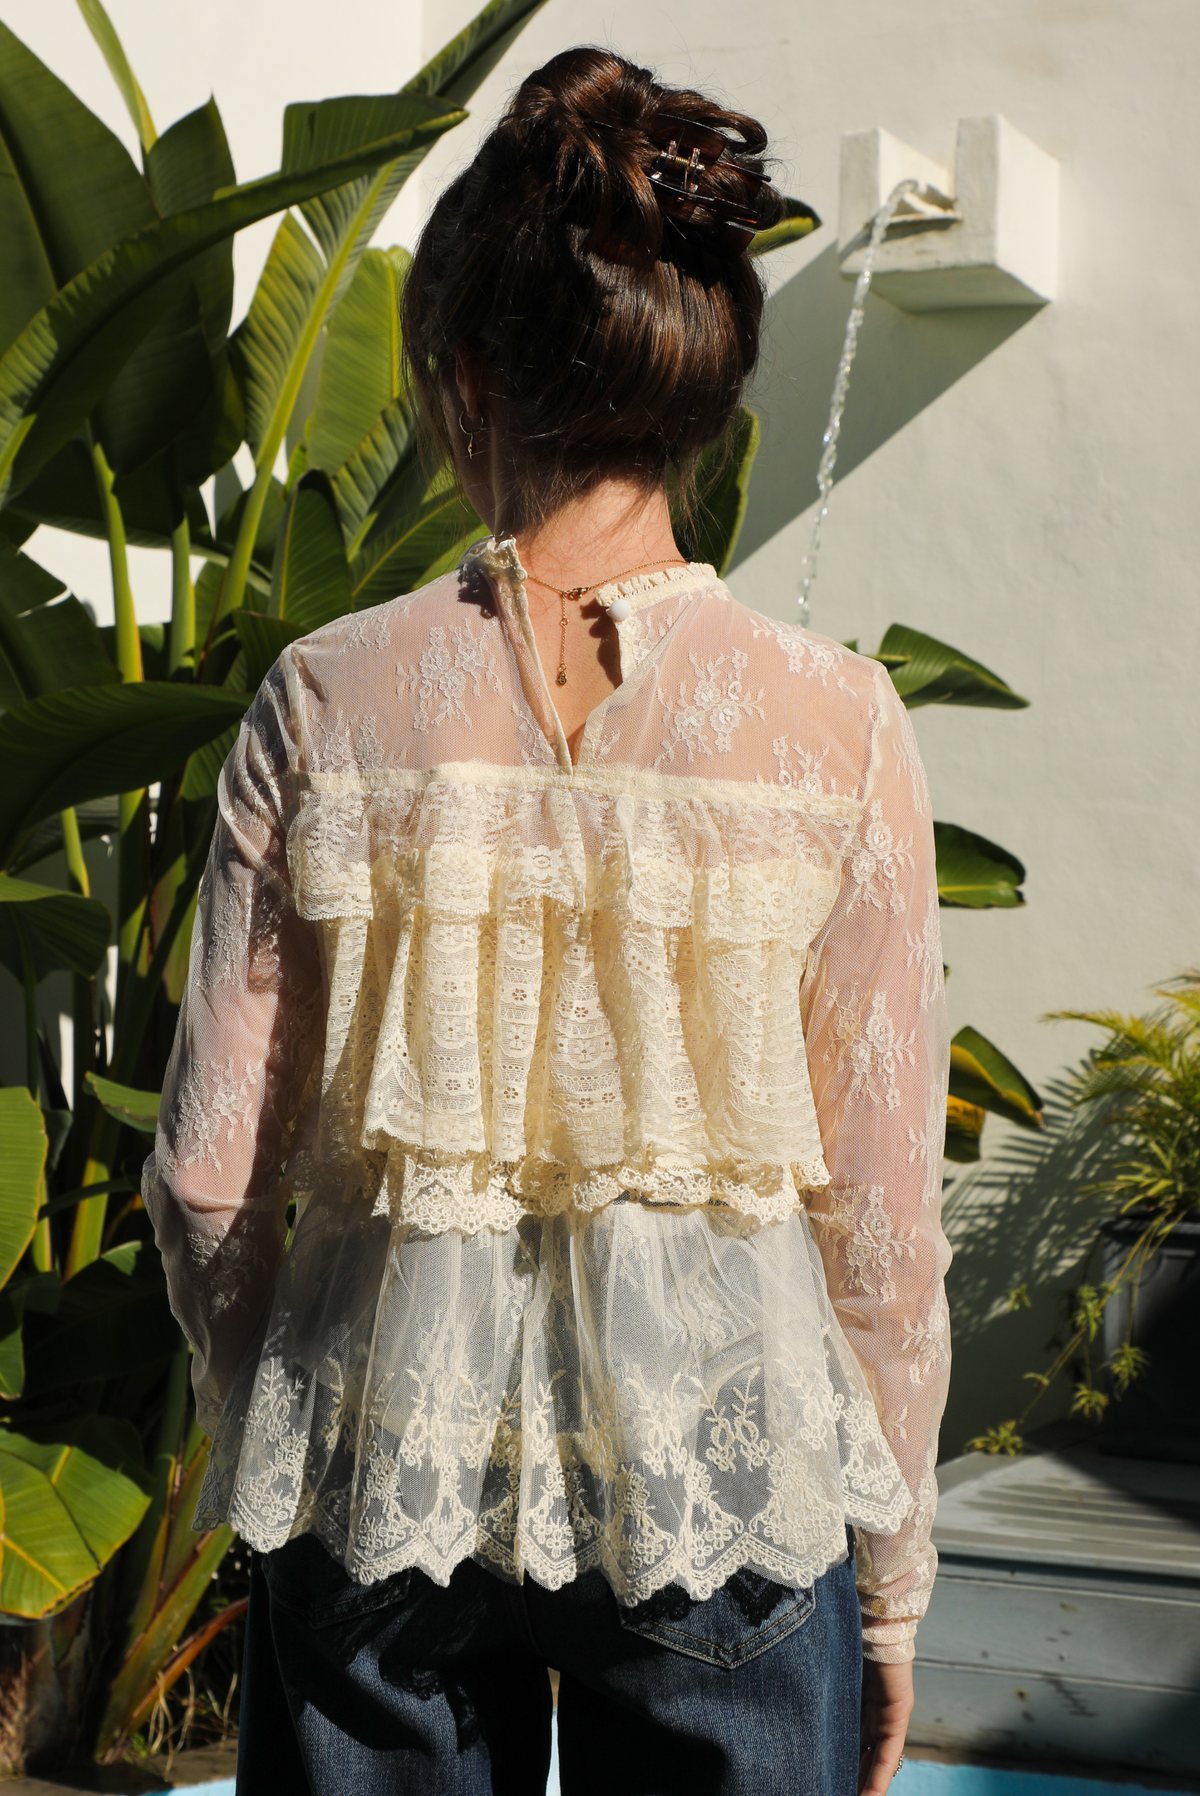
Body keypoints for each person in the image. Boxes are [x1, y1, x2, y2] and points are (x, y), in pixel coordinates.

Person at [144, 44, 950, 1796]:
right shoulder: (835, 720)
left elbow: (210, 1175)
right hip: (729, 1474)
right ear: (701, 384)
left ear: (456, 369)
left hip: (383, 1467)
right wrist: (890, 1598)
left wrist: (277, 1437)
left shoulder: (326, 696)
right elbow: (880, 1225)